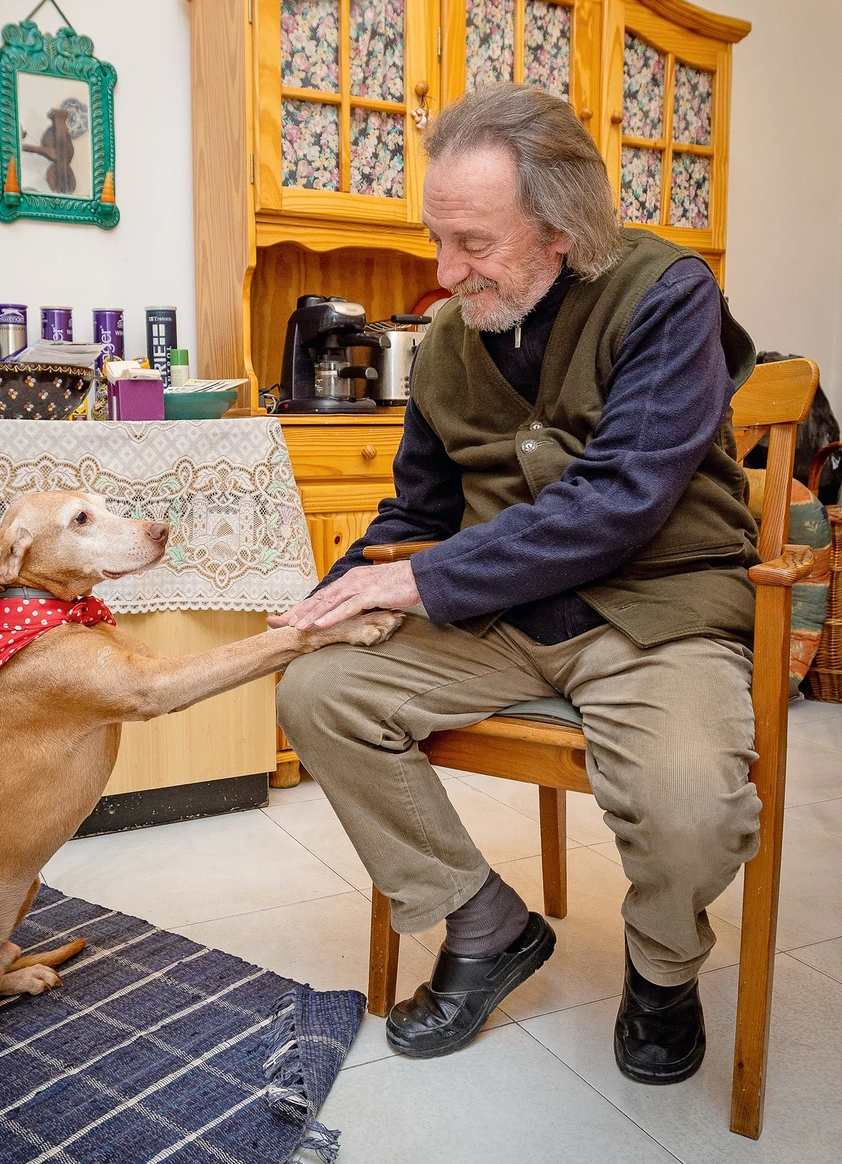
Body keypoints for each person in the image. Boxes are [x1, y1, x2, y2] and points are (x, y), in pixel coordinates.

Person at [274, 83, 762, 1083]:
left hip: (657, 611)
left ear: (561, 228)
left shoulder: (666, 293)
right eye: (437, 238)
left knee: (686, 804)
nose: (446, 274)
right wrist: (337, 593)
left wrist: (416, 587)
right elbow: (417, 513)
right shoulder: (452, 336)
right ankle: (484, 922)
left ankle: (663, 969)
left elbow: (620, 498)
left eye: (475, 244)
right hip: (499, 610)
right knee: (318, 693)